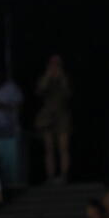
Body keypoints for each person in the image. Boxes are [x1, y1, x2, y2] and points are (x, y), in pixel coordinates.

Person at [35, 55, 72, 183]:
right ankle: (50, 177)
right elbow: (40, 90)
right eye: (52, 64)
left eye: (57, 64)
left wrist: (61, 78)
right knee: (49, 148)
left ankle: (64, 175)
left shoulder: (64, 78)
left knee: (63, 147)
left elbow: (68, 94)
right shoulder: (45, 77)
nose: (54, 66)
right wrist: (48, 76)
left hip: (62, 114)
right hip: (47, 115)